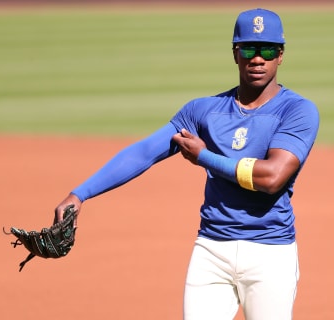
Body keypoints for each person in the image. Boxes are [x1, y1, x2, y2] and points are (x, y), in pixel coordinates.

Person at [54, 8, 319, 320]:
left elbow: (272, 177)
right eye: (248, 48)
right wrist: (80, 194)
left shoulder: (298, 111)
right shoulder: (203, 111)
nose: (257, 59)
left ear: (281, 55)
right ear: (235, 54)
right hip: (212, 250)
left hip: (269, 253)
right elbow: (144, 152)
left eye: (268, 50)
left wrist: (204, 157)